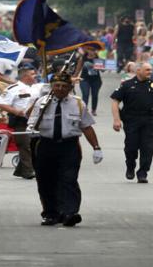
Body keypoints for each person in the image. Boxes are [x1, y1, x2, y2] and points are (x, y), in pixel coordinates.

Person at [26, 71, 103, 227]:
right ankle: (50, 214)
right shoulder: (42, 102)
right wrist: (33, 125)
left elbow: (86, 126)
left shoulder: (78, 103)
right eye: (57, 85)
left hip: (69, 146)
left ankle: (70, 213)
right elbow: (31, 121)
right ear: (51, 86)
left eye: (64, 86)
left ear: (70, 87)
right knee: (45, 180)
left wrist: (96, 147)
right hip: (46, 145)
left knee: (69, 179)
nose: (60, 88)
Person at [108, 62, 153, 183]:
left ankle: (143, 173)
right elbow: (115, 101)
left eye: (151, 70)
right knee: (131, 147)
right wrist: (116, 120)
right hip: (131, 120)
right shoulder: (127, 85)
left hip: (148, 120)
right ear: (138, 71)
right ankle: (130, 166)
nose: (150, 72)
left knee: (148, 148)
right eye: (147, 70)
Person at [0, 64, 43, 179]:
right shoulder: (13, 89)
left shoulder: (38, 87)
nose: (36, 76)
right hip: (20, 120)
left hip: (36, 120)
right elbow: (1, 103)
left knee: (34, 144)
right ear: (25, 76)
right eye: (32, 74)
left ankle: (21, 169)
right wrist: (15, 111)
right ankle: (28, 171)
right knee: (24, 145)